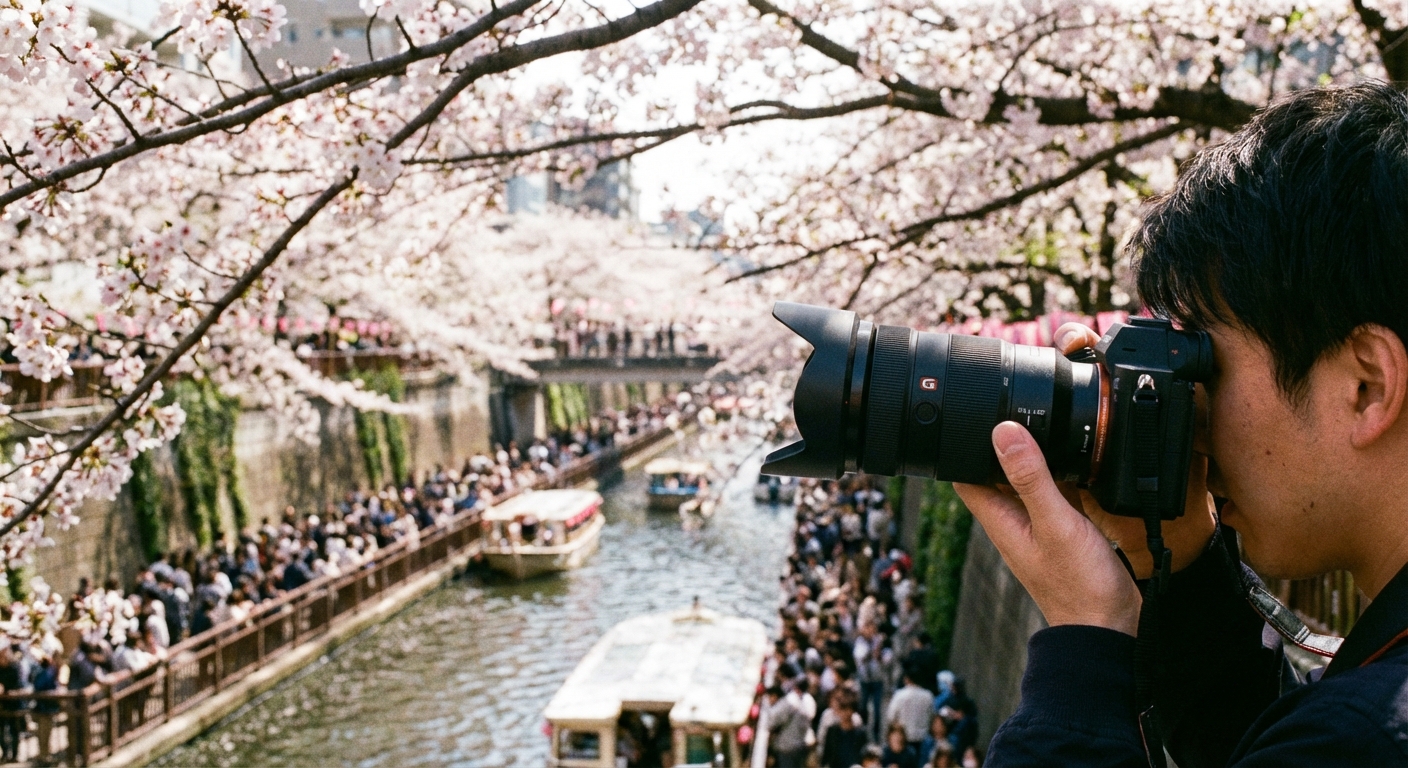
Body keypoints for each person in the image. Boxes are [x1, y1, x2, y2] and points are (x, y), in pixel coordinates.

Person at [952, 82, 1408, 764]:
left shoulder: (1361, 739)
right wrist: (1178, 561)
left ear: (1367, 384)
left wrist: (1088, 641)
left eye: (1205, 363)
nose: (1187, 411)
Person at [885, 670, 934, 750]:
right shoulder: (928, 696)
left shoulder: (899, 695)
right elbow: (932, 717)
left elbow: (891, 716)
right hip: (922, 738)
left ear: (906, 679)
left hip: (904, 738)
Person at [765, 685, 809, 768]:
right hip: (798, 745)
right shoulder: (790, 704)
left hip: (787, 748)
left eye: (769, 697)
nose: (768, 700)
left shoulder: (782, 706)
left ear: (774, 696)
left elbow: (770, 724)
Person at [820, 696, 868, 768]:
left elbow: (864, 755)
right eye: (842, 709)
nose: (845, 713)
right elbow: (827, 753)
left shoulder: (861, 734)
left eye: (848, 709)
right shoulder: (832, 731)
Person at [31, 650, 59, 766]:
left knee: (46, 733)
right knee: (43, 734)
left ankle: (45, 754)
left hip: (48, 708)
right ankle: (44, 756)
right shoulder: (43, 672)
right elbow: (39, 687)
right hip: (44, 708)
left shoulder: (48, 671)